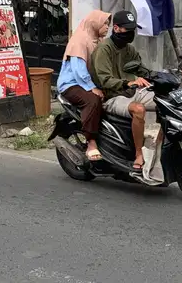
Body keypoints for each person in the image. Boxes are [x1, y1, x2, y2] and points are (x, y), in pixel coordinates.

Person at [90, 10, 154, 174]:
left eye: (133, 29)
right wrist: (128, 82)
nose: (131, 33)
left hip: (131, 91)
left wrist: (167, 76)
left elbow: (142, 70)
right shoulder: (104, 49)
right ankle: (138, 154)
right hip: (112, 96)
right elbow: (105, 80)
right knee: (138, 109)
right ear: (116, 28)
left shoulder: (129, 49)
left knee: (164, 102)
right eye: (128, 29)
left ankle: (159, 147)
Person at [56, 10, 111, 161]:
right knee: (92, 100)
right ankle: (91, 142)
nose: (107, 27)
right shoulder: (79, 40)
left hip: (89, 82)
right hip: (71, 84)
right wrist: (91, 87)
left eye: (108, 24)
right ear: (95, 23)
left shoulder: (97, 40)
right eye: (104, 23)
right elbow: (78, 69)